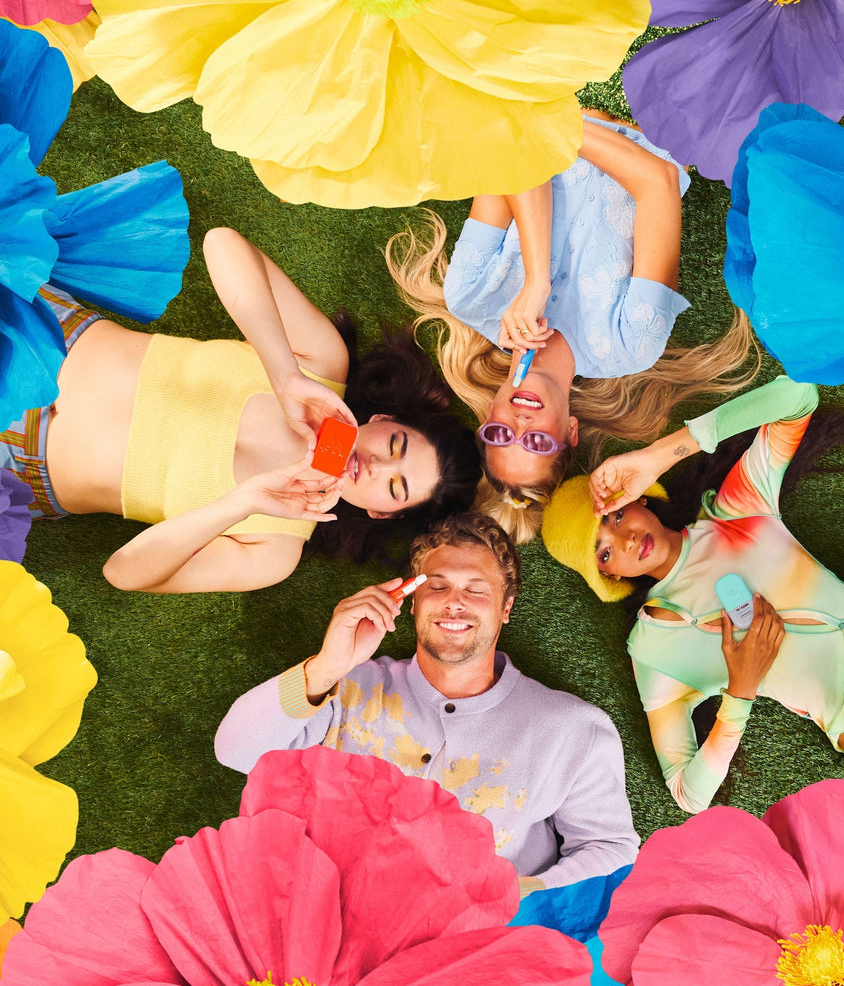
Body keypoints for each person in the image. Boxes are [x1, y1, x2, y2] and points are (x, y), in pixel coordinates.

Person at [541, 376, 844, 877]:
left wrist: (659, 455)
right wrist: (741, 691)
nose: (622, 539)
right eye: (603, 550)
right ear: (609, 575)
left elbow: (798, 397)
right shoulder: (654, 651)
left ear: (641, 498)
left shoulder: (735, 511)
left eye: (616, 515)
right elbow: (687, 793)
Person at [1, 228, 480, 592]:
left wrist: (243, 502)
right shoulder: (321, 365)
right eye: (395, 446)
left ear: (382, 514)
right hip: (38, 332)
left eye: (394, 487)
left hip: (18, 462)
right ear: (384, 421)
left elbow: (123, 573)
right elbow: (222, 243)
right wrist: (284, 374)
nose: (375, 466)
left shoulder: (274, 549)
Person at [215, 511, 640, 893]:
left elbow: (611, 850)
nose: (455, 601)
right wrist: (326, 666)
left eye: (476, 589)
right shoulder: (346, 687)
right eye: (437, 586)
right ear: (413, 600)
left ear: (506, 607)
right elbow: (235, 751)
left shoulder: (572, 729)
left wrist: (520, 896)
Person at [388, 111, 755, 542]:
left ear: (490, 414)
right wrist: (546, 124)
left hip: (558, 94)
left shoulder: (471, 298)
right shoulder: (630, 346)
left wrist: (535, 279)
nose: (521, 425)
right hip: (658, 122)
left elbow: (507, 148)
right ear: (570, 431)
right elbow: (658, 182)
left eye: (501, 434)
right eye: (538, 443)